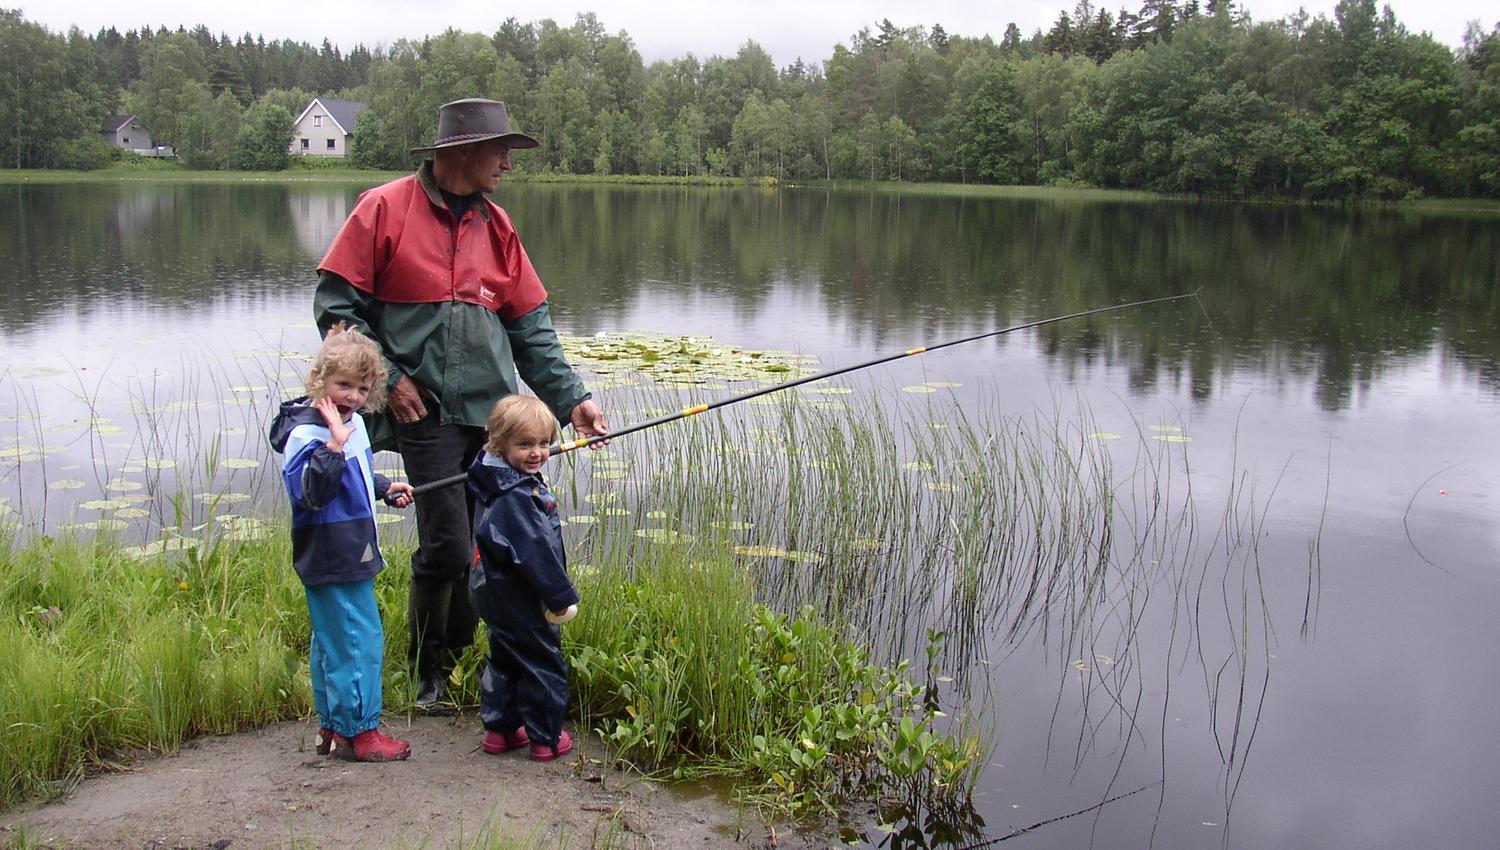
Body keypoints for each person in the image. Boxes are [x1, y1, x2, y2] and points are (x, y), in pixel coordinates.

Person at [313, 98, 608, 714]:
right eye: (499, 150)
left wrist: (573, 400)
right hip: (426, 414)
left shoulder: (498, 227)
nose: (507, 162)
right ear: (463, 151)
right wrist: (390, 377)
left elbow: (532, 329)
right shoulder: (383, 208)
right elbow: (339, 310)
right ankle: (428, 674)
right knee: (447, 545)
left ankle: (467, 662)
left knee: (489, 545)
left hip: (495, 421)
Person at [268, 324, 415, 761]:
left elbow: (354, 475)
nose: (352, 396)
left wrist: (384, 486)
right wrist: (333, 443)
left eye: (362, 388)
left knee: (334, 639)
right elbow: (312, 493)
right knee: (357, 638)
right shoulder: (308, 434)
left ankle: (334, 725)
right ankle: (362, 733)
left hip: (352, 544)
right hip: (332, 551)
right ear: (319, 380)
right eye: (343, 385)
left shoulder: (351, 425)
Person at [467, 394, 579, 761]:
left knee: (504, 656)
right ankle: (545, 738)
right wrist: (560, 596)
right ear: (499, 443)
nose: (537, 453)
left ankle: (500, 730)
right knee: (543, 660)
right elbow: (537, 554)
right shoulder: (516, 496)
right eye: (525, 444)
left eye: (544, 444)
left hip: (491, 587)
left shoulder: (490, 476)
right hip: (520, 593)